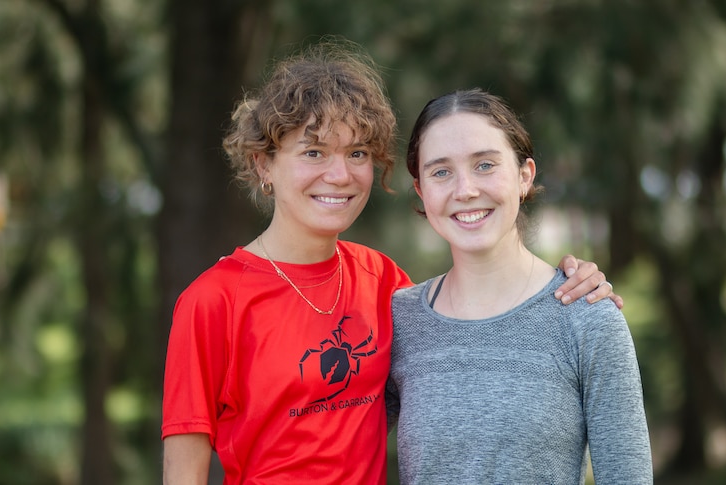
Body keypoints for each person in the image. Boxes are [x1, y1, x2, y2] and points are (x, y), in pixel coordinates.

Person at [161, 40, 618, 484]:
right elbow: (183, 474)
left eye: (356, 153)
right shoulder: (211, 302)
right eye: (314, 152)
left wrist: (573, 283)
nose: (339, 175)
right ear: (264, 165)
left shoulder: (385, 284)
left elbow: (462, 362)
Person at [387, 88, 652, 484]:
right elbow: (332, 446)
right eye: (441, 172)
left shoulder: (587, 316)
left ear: (524, 176)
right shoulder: (399, 320)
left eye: (485, 165)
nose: (465, 190)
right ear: (422, 192)